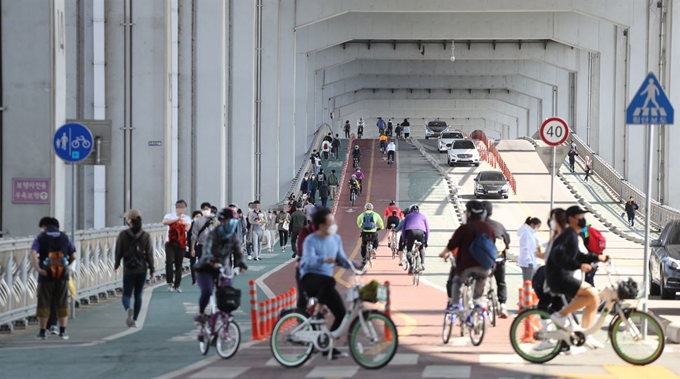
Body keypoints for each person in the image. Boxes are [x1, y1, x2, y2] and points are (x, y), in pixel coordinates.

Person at [546, 205, 608, 349]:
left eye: (583, 216)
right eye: (579, 217)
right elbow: (558, 255)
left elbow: (579, 256)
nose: (582, 219)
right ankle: (560, 315)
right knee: (592, 293)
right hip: (558, 277)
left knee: (594, 297)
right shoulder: (568, 234)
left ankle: (586, 334)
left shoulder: (573, 234)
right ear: (571, 219)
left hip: (563, 275)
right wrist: (579, 266)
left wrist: (597, 257)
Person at [299, 207, 354, 359]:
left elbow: (342, 259)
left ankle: (328, 345)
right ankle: (317, 313)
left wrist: (356, 265)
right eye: (331, 222)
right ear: (322, 225)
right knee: (330, 280)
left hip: (325, 283)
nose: (334, 224)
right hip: (309, 278)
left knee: (342, 314)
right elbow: (308, 260)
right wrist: (323, 259)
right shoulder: (311, 240)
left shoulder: (336, 239)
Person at [193, 207, 248, 324]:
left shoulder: (233, 237)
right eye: (229, 221)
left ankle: (226, 321)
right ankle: (201, 313)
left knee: (227, 296)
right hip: (206, 269)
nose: (231, 224)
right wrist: (212, 261)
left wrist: (241, 264)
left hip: (223, 270)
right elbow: (206, 250)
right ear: (222, 221)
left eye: (233, 221)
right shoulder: (213, 234)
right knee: (207, 291)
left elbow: (238, 253)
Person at [439, 201, 495, 313]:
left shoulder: (465, 228)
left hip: (466, 266)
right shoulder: (489, 228)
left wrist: (443, 253)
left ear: (469, 213)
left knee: (457, 281)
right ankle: (478, 304)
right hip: (484, 266)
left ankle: (455, 305)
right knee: (481, 279)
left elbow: (452, 244)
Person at [30, 217, 77, 340]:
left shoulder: (40, 237)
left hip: (45, 275)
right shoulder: (65, 237)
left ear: (44, 226)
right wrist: (66, 267)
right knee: (62, 302)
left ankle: (42, 332)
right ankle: (63, 331)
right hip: (62, 275)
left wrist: (38, 269)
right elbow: (73, 255)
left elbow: (33, 252)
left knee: (44, 302)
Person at [114, 209, 154, 328]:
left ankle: (128, 309)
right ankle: (135, 320)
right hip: (141, 268)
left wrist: (116, 264)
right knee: (138, 295)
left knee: (126, 294)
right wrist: (152, 269)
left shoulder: (123, 235)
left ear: (130, 221)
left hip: (128, 269)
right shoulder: (146, 236)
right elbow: (149, 254)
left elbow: (118, 251)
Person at [481, 201, 510, 318]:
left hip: (484, 261)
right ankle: (503, 305)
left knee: (479, 280)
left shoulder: (479, 226)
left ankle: (480, 302)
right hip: (499, 258)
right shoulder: (499, 225)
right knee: (501, 282)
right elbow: (507, 241)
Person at [163, 199, 192, 293]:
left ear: (185, 208)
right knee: (169, 262)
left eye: (183, 207)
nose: (181, 209)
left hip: (181, 243)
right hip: (170, 243)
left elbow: (186, 228)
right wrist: (177, 220)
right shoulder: (169, 215)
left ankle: (177, 285)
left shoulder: (187, 218)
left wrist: (175, 223)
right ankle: (170, 282)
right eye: (179, 206)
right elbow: (165, 222)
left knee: (179, 264)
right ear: (176, 207)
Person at [190, 203, 218, 285]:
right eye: (204, 209)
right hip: (201, 244)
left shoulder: (214, 220)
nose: (206, 211)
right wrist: (192, 248)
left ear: (210, 210)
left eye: (207, 209)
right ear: (202, 210)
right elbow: (194, 236)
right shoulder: (198, 221)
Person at [399, 204, 430, 275]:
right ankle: (422, 263)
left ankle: (411, 265)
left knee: (409, 250)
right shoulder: (423, 216)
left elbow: (403, 230)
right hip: (421, 232)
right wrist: (426, 241)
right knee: (421, 248)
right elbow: (428, 230)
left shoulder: (407, 216)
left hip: (410, 232)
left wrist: (404, 240)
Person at [518, 216, 541, 282]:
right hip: (527, 263)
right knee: (527, 283)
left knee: (530, 282)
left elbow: (538, 242)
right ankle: (525, 292)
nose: (537, 229)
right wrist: (529, 261)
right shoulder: (526, 233)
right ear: (532, 225)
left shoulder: (530, 234)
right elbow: (525, 248)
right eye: (537, 227)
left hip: (530, 262)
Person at [186, 210, 203, 285]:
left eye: (200, 216)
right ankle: (194, 279)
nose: (198, 218)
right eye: (197, 216)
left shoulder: (204, 225)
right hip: (192, 246)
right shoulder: (191, 225)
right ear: (193, 217)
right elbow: (189, 236)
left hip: (201, 246)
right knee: (193, 263)